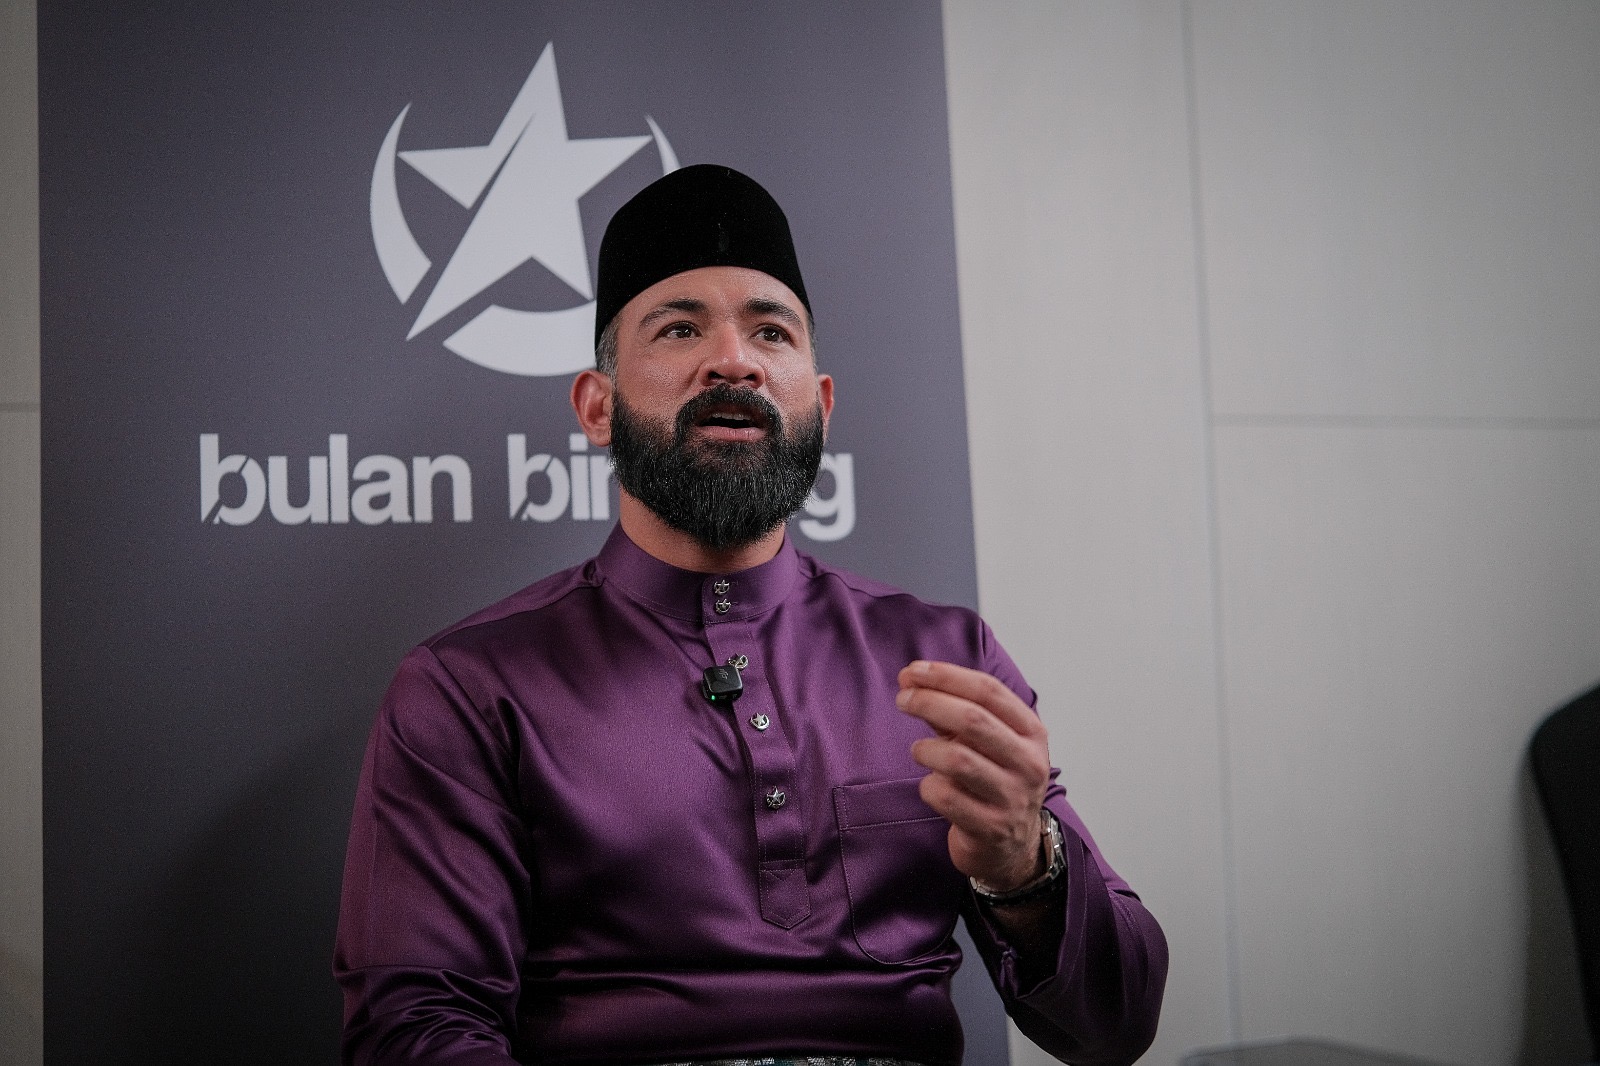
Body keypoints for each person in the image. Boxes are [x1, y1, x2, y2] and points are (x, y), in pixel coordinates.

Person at [334, 164, 1167, 1066]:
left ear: (821, 404)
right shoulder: (470, 687)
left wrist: (1025, 869)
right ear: (598, 408)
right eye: (680, 327)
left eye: (772, 330)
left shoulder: (945, 660)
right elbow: (416, 1031)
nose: (734, 360)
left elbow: (1115, 1027)